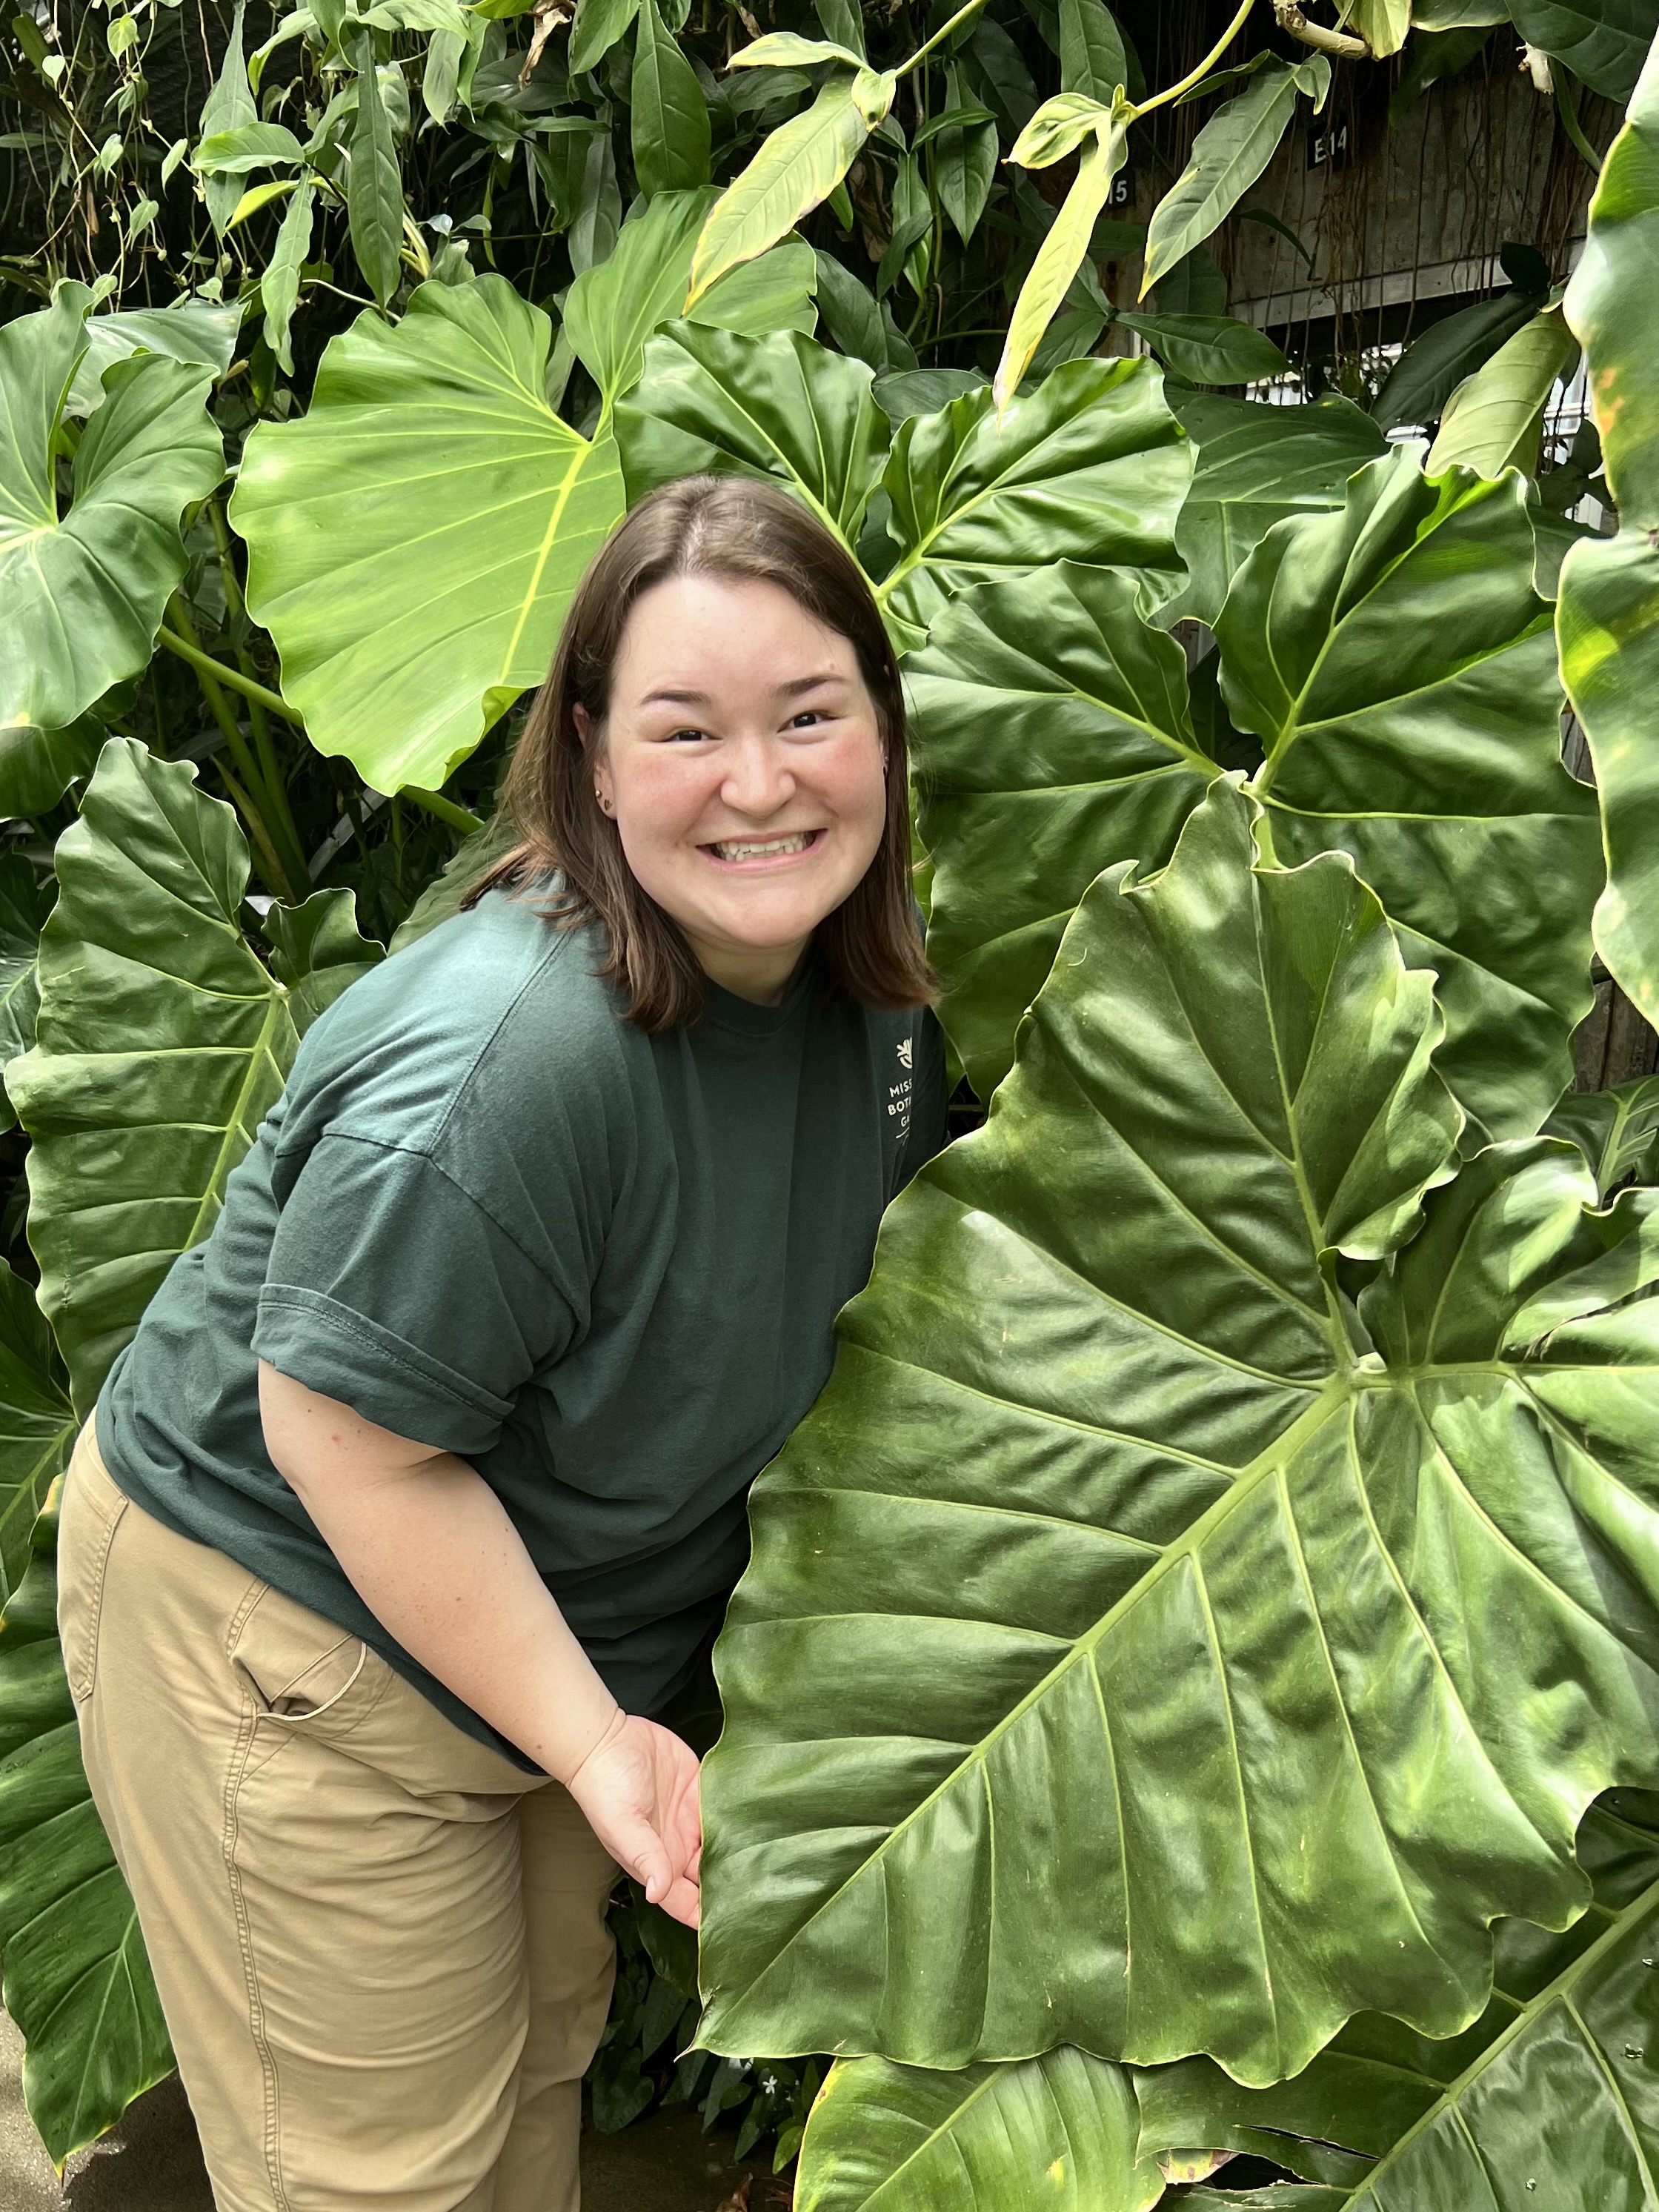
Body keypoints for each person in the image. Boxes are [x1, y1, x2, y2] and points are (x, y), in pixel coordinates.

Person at [56, 474, 948, 2212]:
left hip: (551, 1619)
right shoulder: (514, 1058)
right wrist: (599, 1738)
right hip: (291, 1620)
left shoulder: (870, 999)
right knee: (380, 2180)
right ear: (597, 762)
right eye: (689, 729)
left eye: (811, 716)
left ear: (887, 736)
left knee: (537, 2069)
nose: (761, 782)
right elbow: (340, 1430)